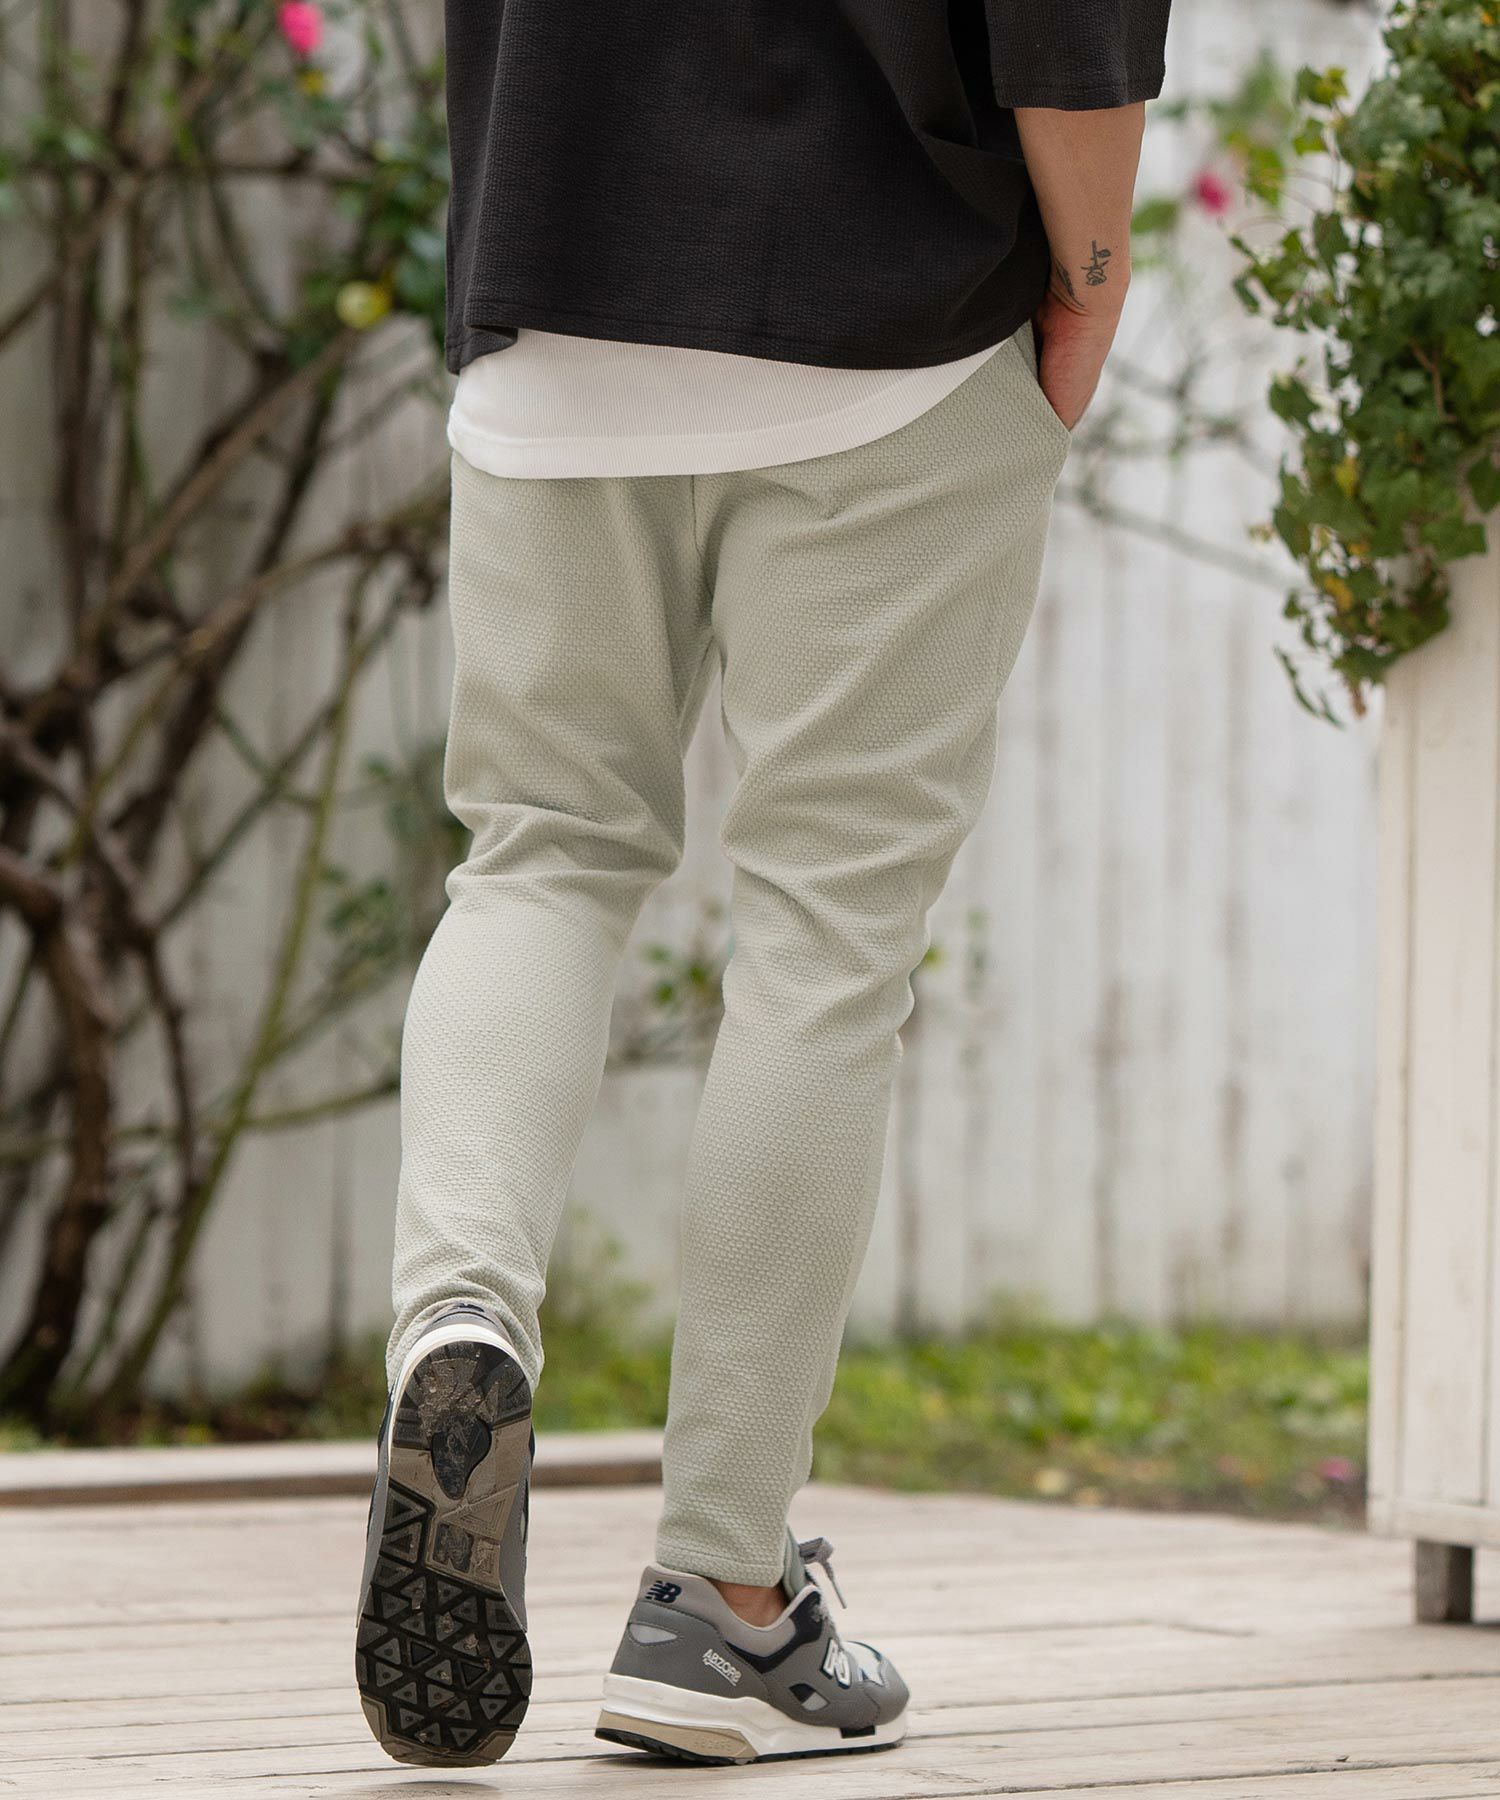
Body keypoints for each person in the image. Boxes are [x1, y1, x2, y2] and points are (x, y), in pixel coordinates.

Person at [354, 0, 1171, 1769]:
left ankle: (461, 1313)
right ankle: (721, 1595)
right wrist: (1091, 278)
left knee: (540, 858)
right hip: (891, 328)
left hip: (552, 298)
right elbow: (1067, 36)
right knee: (824, 938)